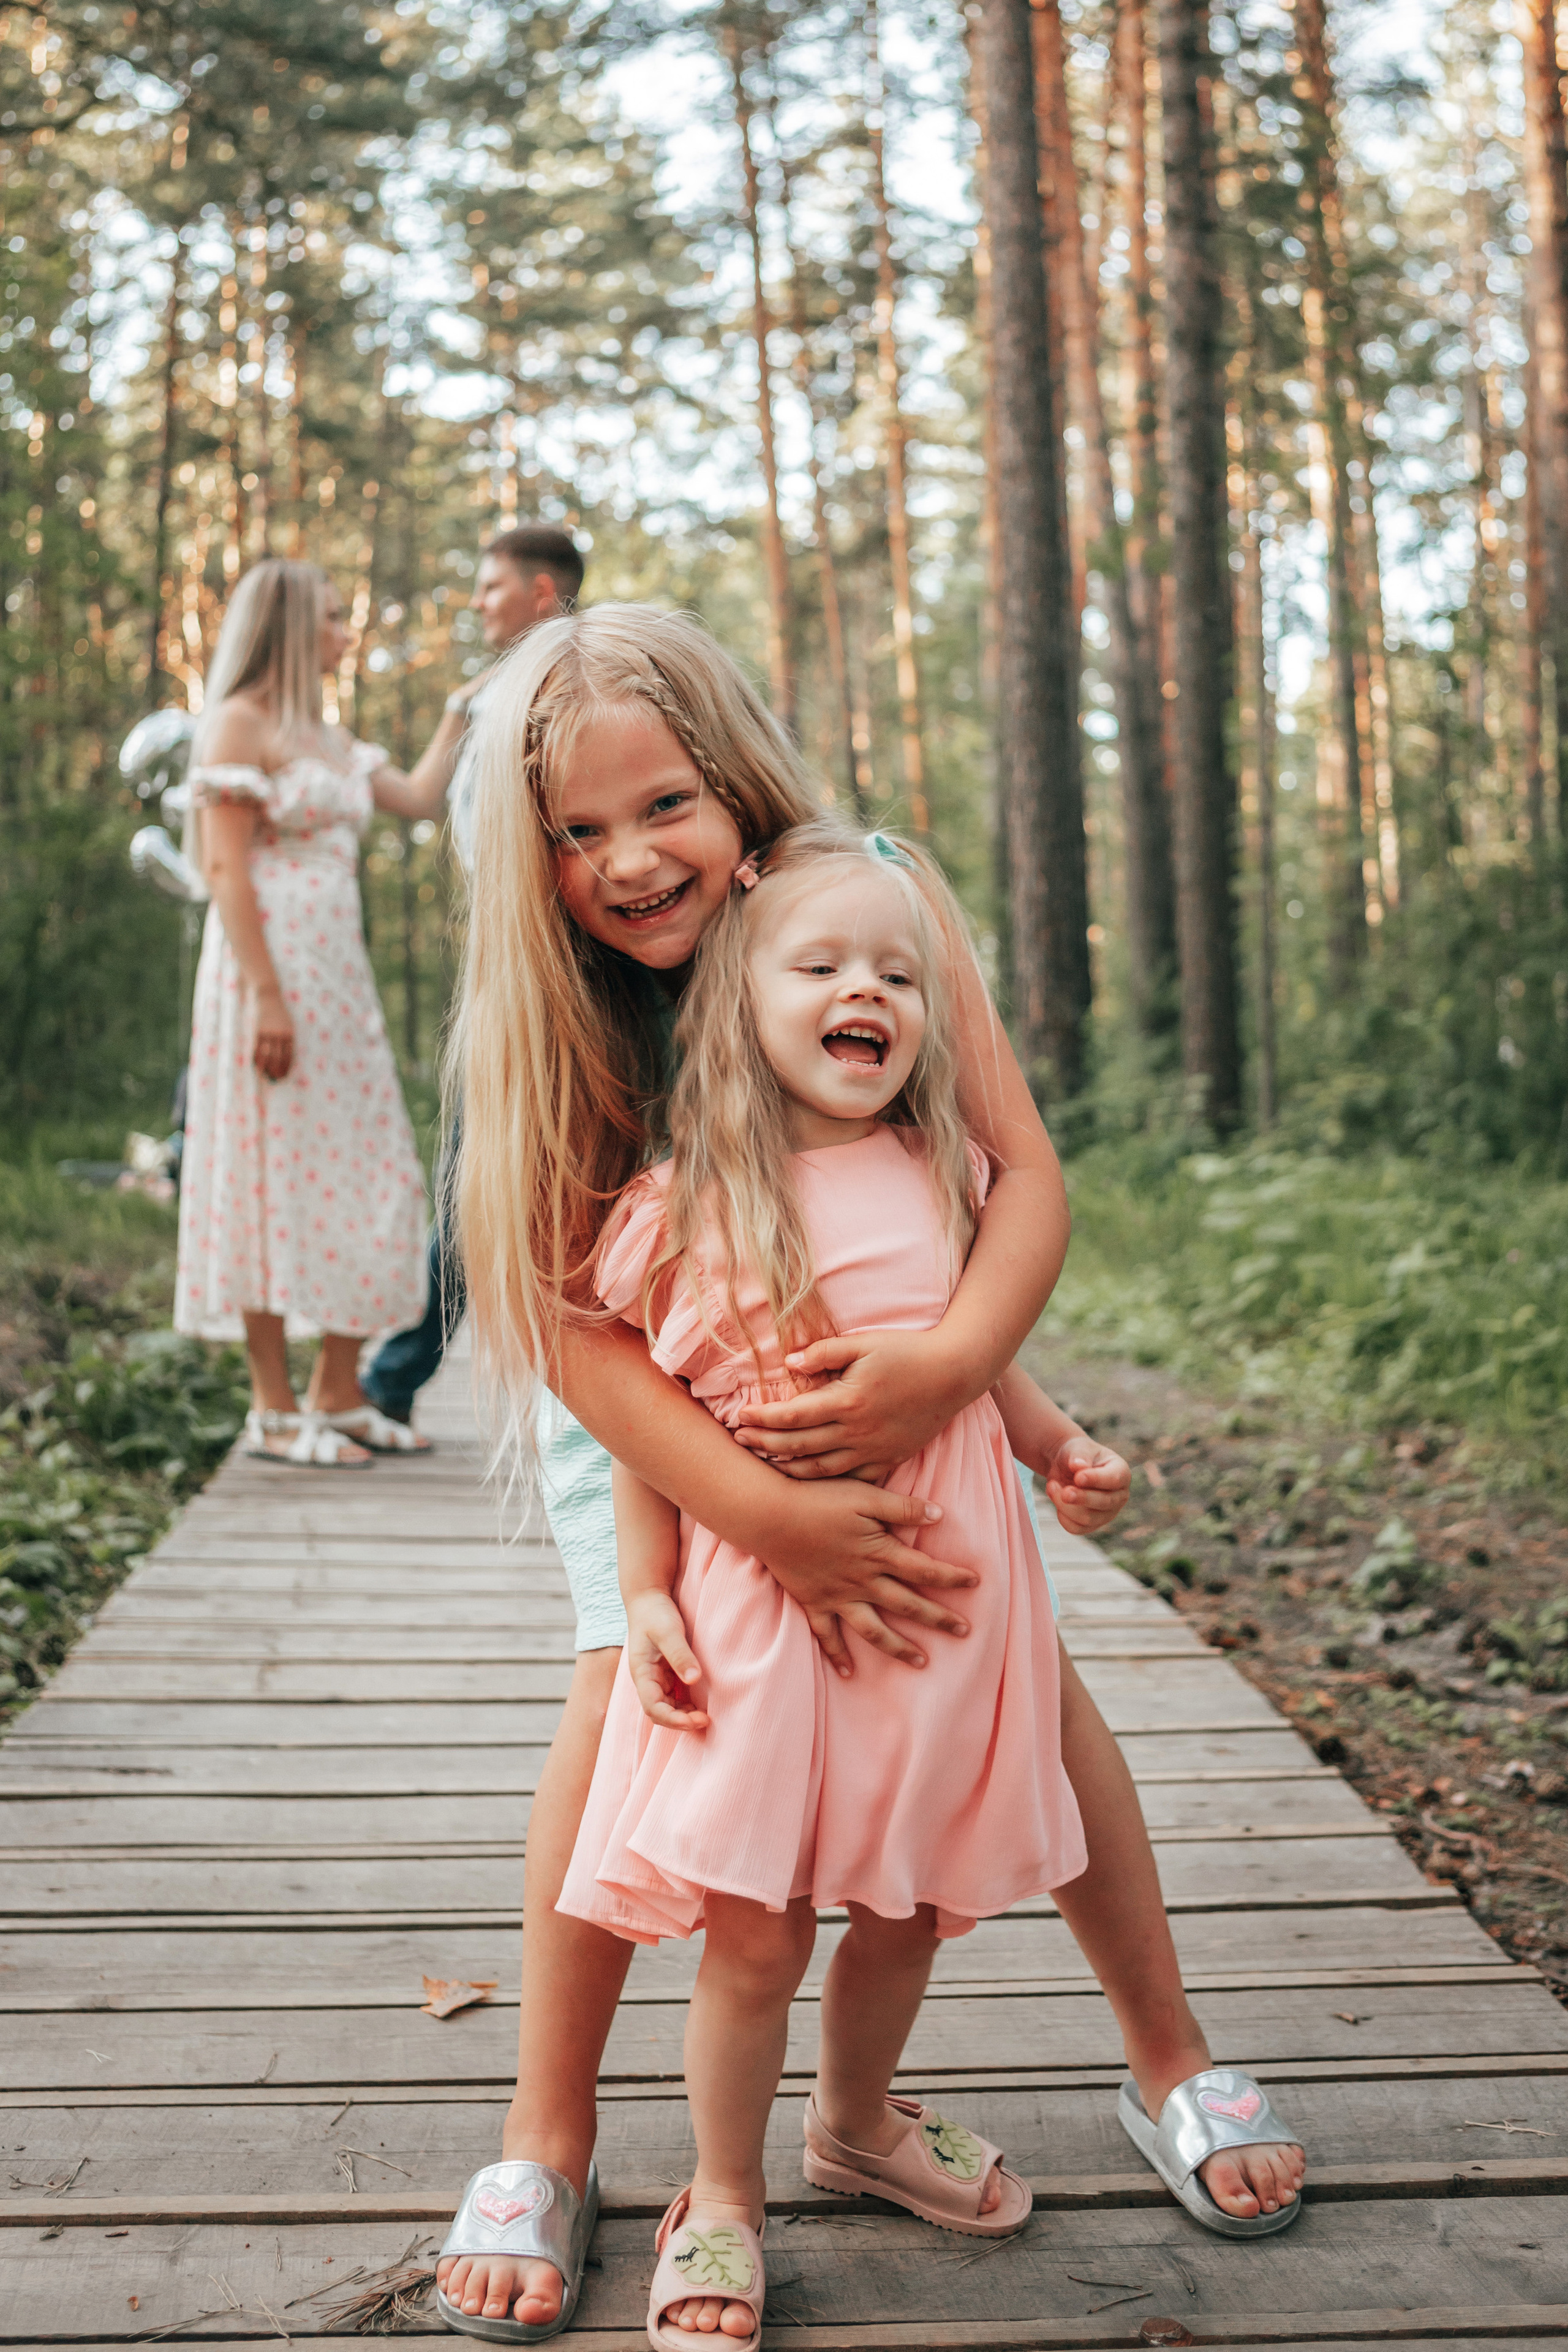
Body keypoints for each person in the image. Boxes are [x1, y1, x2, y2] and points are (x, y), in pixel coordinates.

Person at [432, 606, 1305, 2343]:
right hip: (655, 1400)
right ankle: (551, 2126)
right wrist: (747, 1514)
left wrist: (962, 1375)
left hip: (924, 1384)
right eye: (576, 832)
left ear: (739, 798)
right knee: (631, 1685)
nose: (623, 860)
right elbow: (571, 1322)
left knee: (1022, 1688)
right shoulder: (566, 1007)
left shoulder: (867, 923)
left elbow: (1024, 1169)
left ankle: (1168, 2056)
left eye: (662, 805)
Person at [560, 825, 1132, 2346]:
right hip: (762, 1611)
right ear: (743, 994)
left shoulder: (947, 1171)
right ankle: (724, 2191)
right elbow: (646, 1425)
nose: (863, 989)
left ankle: (857, 2117)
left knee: (911, 1906)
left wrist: (1056, 1440)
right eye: (820, 965)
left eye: (895, 971)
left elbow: (980, 1354)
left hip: (941, 1613)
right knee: (758, 1926)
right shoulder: (688, 1197)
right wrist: (645, 1592)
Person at [175, 557, 440, 1464]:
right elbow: (222, 869)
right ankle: (274, 1408)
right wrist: (266, 997)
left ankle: (338, 1388)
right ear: (290, 627)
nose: (345, 631)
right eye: (332, 617)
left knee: (370, 1170)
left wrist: (468, 709)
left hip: (340, 982)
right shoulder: (238, 723)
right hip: (267, 976)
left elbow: (420, 797)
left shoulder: (329, 737)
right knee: (262, 1170)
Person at [360, 526, 586, 1427]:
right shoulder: (497, 690)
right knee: (475, 1170)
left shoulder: (571, 683)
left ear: (541, 592)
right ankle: (397, 1378)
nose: (478, 602)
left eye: (491, 587)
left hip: (549, 957)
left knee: (475, 1172)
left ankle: (392, 1381)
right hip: (500, 952)